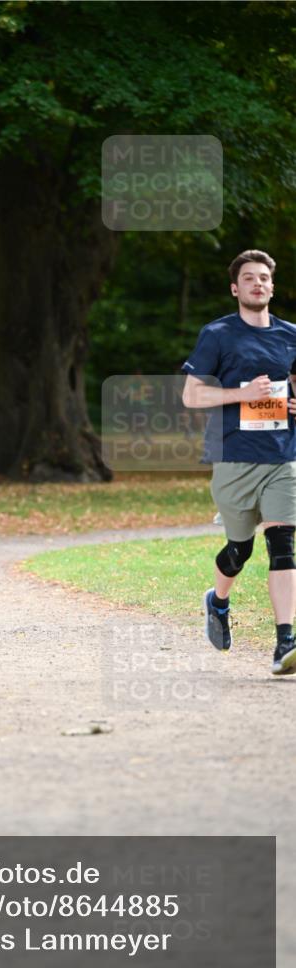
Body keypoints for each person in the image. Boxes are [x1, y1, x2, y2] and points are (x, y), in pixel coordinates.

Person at [182, 249, 296, 676]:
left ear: (273, 285)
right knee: (240, 549)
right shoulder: (218, 335)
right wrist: (241, 396)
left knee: (283, 544)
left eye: (264, 278)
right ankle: (218, 600)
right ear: (236, 288)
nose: (257, 284)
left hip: (283, 454)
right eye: (249, 278)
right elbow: (192, 396)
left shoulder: (290, 335)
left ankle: (286, 640)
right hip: (233, 456)